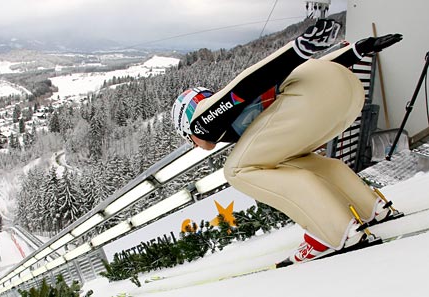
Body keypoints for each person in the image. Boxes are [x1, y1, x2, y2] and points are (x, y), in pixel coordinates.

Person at [171, 19, 403, 265]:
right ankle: (370, 208)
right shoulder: (244, 121)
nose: (195, 144)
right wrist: (359, 49)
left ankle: (331, 232)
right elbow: (308, 72)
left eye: (188, 139)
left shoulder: (202, 121)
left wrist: (298, 48)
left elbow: (246, 83)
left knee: (237, 169)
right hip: (346, 92)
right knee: (295, 161)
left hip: (312, 98)